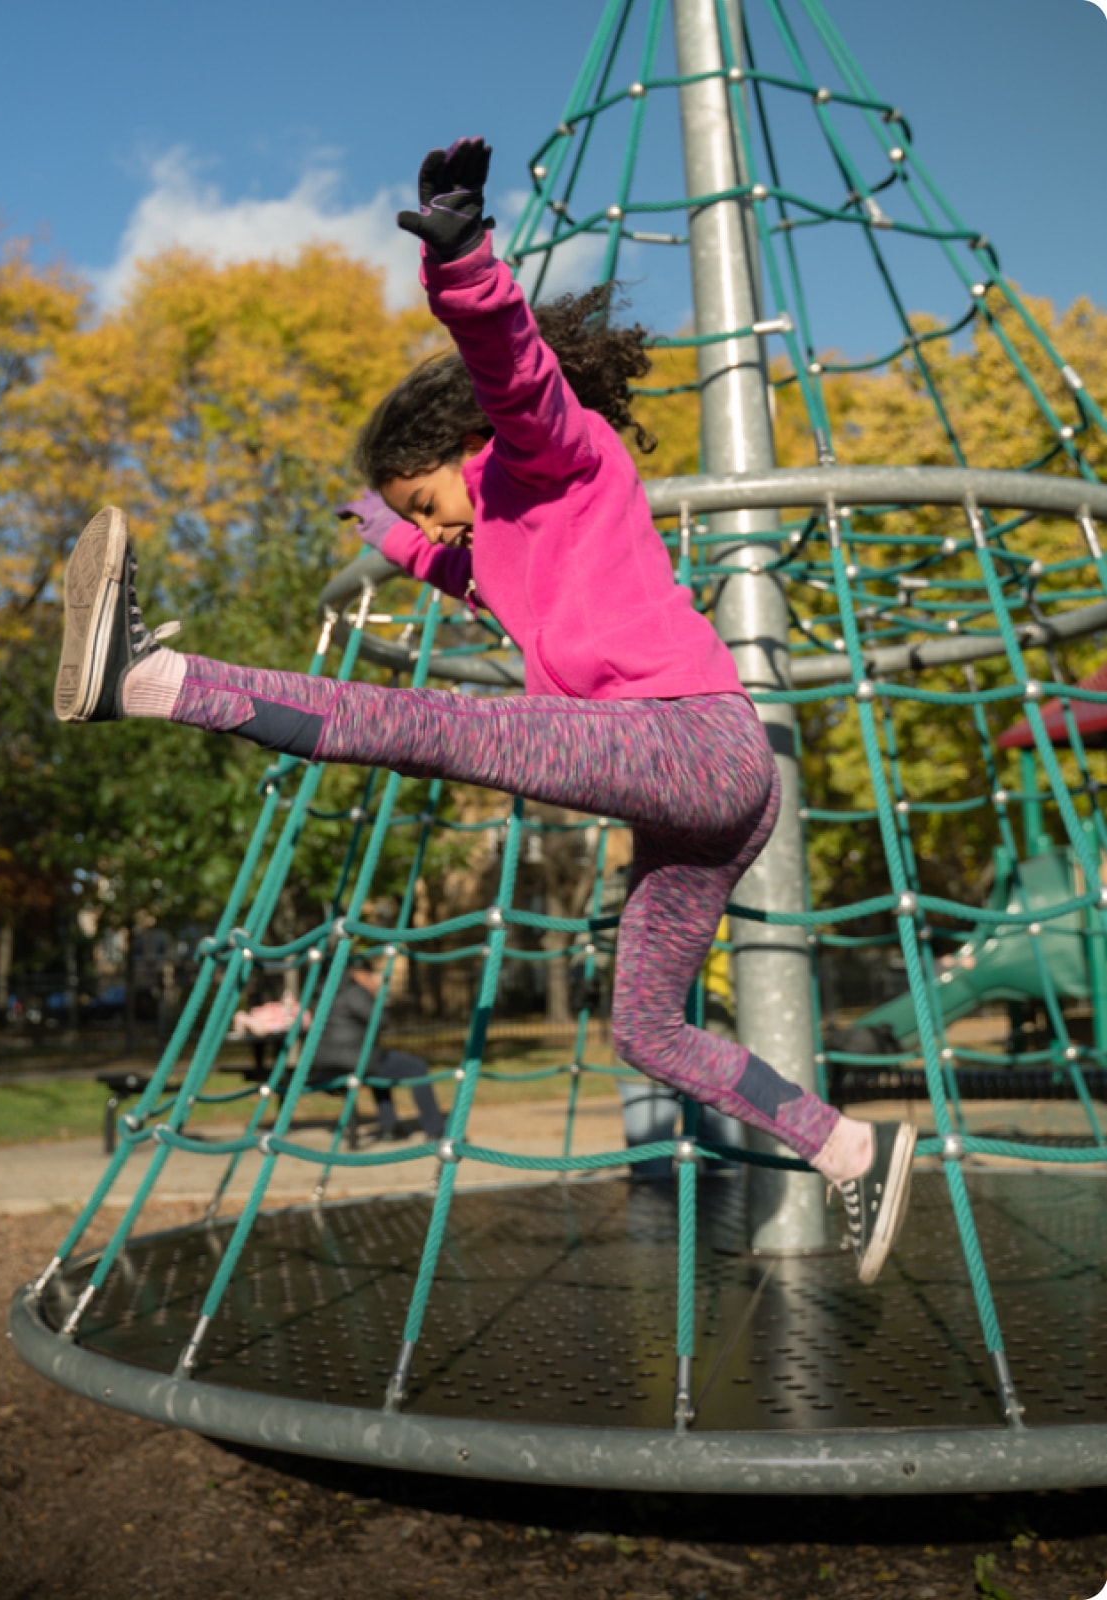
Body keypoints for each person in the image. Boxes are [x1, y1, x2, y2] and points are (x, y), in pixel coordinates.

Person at [53, 137, 914, 1285]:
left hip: (685, 740)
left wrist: (463, 262)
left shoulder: (555, 455)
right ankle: (852, 1146)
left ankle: (149, 678)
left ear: (461, 447)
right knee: (647, 1029)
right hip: (704, 796)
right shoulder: (499, 537)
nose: (443, 527)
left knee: (428, 725)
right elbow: (475, 571)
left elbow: (514, 371)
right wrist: (395, 531)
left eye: (429, 498)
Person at [310, 959, 446, 1141]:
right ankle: (435, 1128)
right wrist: (373, 994)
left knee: (380, 1069)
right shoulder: (353, 991)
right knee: (417, 1067)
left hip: (323, 1060)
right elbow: (381, 1020)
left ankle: (389, 1126)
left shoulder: (321, 992)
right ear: (358, 973)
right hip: (355, 1058)